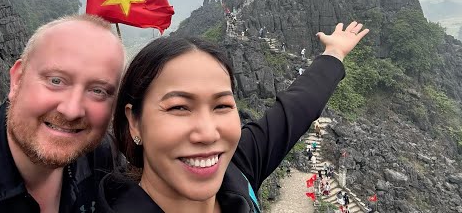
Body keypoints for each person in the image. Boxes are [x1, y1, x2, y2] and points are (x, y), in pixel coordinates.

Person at [97, 21, 369, 213]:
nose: (208, 133)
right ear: (134, 121)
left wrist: (334, 53)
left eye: (222, 106)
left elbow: (298, 107)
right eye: (179, 107)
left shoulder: (237, 168)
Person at [0, 15, 126, 213]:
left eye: (98, 91)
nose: (72, 110)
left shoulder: (104, 158)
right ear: (17, 80)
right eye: (56, 81)